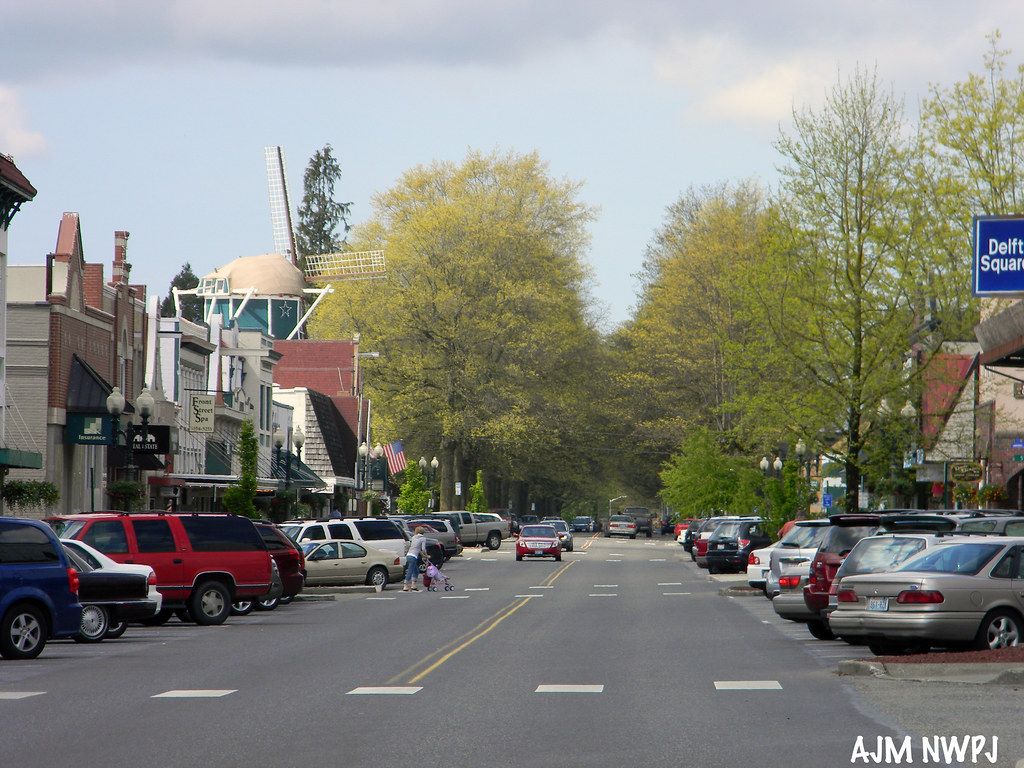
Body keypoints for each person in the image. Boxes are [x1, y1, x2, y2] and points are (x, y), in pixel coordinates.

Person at [403, 526, 428, 592]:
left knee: (416, 570)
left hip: (409, 555)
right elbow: (423, 549)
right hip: (413, 556)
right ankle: (405, 585)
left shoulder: (413, 538)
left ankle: (413, 585)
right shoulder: (423, 539)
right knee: (410, 570)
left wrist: (422, 555)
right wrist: (426, 555)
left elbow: (416, 548)